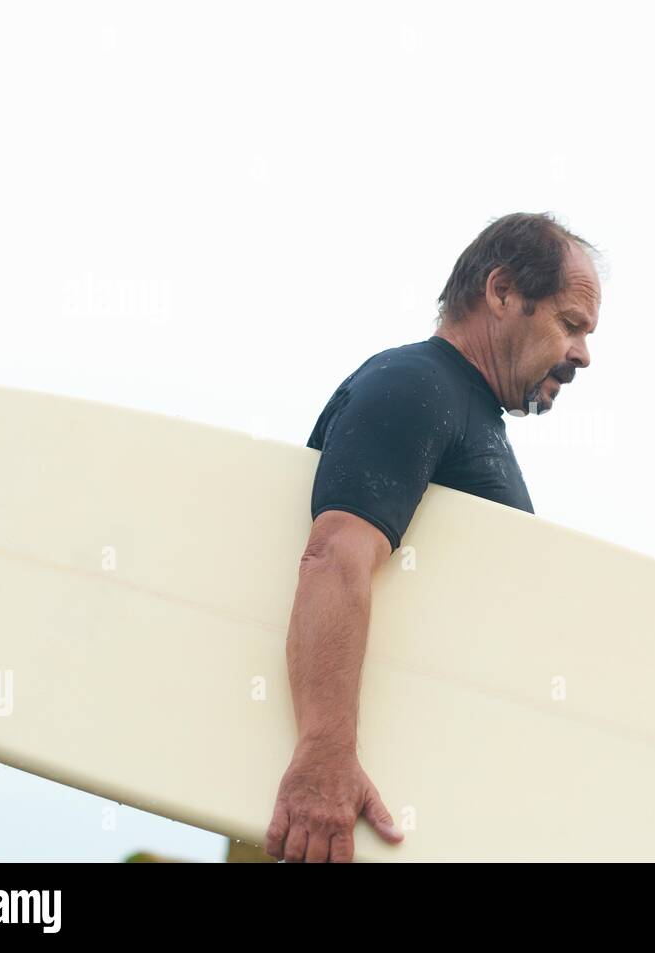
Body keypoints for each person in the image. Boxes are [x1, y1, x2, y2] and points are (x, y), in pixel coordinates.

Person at [263, 212, 602, 862]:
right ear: (502, 292)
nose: (583, 353)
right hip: (364, 814)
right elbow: (334, 556)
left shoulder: (472, 416)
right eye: (571, 324)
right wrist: (324, 756)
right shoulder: (417, 385)